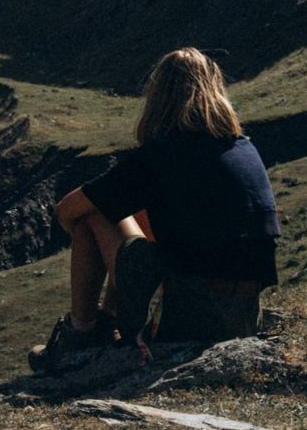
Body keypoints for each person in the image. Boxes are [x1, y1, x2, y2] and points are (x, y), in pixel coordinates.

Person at [28, 47, 280, 372]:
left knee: (93, 215)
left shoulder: (163, 156)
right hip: (242, 315)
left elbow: (68, 210)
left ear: (158, 96)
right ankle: (108, 321)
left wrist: (105, 253)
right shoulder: (242, 147)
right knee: (134, 213)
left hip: (189, 317)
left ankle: (80, 334)